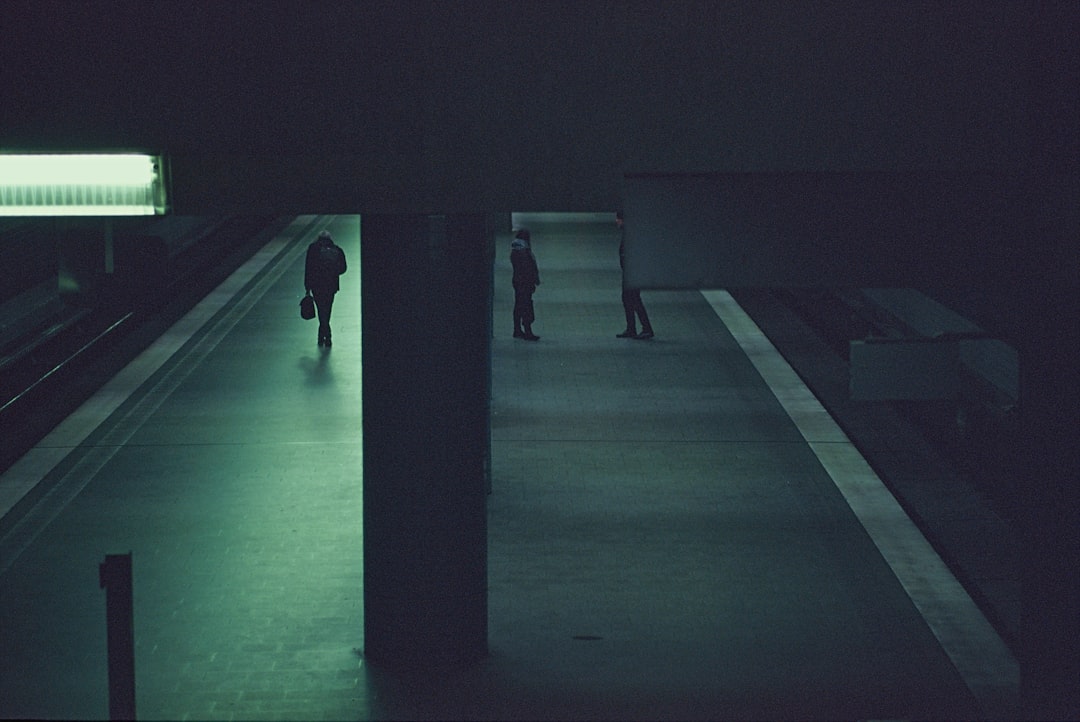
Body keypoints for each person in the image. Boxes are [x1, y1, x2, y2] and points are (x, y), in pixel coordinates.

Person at [304, 229, 347, 347]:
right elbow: (343, 268)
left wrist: (307, 287)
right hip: (331, 285)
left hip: (316, 285)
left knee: (320, 309)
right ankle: (326, 336)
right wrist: (333, 272)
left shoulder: (313, 249)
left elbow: (308, 268)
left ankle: (324, 335)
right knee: (327, 309)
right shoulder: (337, 249)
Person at [615, 211, 654, 339]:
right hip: (630, 272)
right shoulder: (630, 233)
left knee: (634, 299)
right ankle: (632, 328)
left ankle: (645, 328)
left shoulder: (631, 235)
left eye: (619, 219)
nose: (617, 222)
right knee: (628, 299)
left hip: (632, 273)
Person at [510, 228, 541, 341]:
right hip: (524, 283)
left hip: (517, 281)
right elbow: (528, 268)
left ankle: (517, 329)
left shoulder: (516, 250)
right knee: (526, 306)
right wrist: (532, 281)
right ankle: (528, 331)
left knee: (518, 305)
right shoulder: (524, 252)